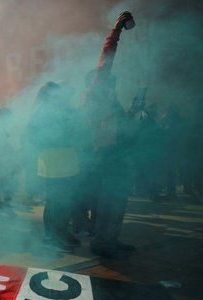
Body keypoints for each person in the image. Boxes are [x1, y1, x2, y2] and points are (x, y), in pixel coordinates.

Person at [84, 11, 137, 258]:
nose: (113, 84)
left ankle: (111, 239)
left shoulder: (112, 101)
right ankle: (102, 243)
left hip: (118, 153)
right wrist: (116, 31)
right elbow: (106, 59)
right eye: (109, 82)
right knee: (109, 200)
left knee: (118, 199)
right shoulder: (97, 92)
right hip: (104, 154)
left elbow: (121, 125)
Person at [27, 81, 80, 252]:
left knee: (66, 200)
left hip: (66, 159)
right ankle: (50, 237)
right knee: (55, 201)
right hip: (52, 161)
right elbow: (35, 137)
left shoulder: (63, 109)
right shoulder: (40, 112)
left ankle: (63, 232)